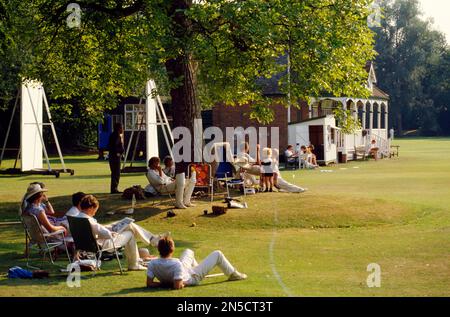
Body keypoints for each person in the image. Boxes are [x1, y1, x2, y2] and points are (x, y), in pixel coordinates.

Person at [74, 195, 166, 271]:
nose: (94, 213)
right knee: (130, 233)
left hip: (89, 244)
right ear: (90, 208)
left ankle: (152, 240)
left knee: (129, 225)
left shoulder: (77, 218)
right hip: (103, 244)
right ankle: (134, 264)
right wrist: (112, 233)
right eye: (95, 210)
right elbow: (102, 232)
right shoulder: (88, 220)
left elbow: (96, 229)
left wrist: (111, 228)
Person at [146, 237, 247, 289]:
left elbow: (149, 283)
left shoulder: (152, 263)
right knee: (218, 254)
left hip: (183, 271)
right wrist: (169, 284)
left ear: (158, 249)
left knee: (188, 251)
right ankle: (233, 274)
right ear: (172, 250)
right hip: (192, 278)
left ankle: (199, 269)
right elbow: (178, 286)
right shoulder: (176, 264)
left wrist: (163, 283)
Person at [108, 122, 125, 194]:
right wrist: (118, 153)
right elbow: (114, 147)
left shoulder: (114, 135)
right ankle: (114, 189)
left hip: (113, 156)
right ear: (118, 128)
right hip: (115, 157)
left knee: (115, 172)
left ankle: (114, 188)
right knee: (116, 173)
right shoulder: (116, 136)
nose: (123, 129)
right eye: (122, 128)